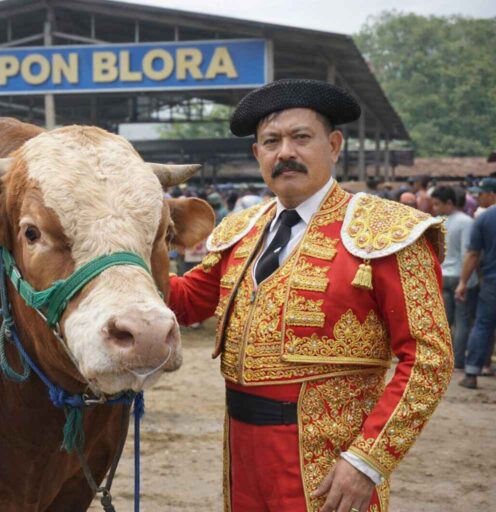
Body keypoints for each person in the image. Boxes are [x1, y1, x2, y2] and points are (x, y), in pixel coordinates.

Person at [168, 79, 452, 512]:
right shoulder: (241, 230)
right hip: (242, 450)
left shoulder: (385, 231)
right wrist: (120, 258)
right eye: (271, 141)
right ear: (257, 155)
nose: (285, 152)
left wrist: (367, 460)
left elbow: (429, 357)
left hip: (329, 462)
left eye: (301, 138)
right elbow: (186, 301)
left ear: (334, 145)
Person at [431, 186, 478, 370]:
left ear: (449, 203)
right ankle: (457, 360)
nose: (434, 208)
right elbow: (468, 251)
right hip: (460, 275)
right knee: (462, 321)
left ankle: (442, 359)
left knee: (444, 321)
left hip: (443, 275)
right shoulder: (466, 222)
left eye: (437, 204)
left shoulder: (435, 222)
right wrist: (466, 281)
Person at [456, 177, 496, 389]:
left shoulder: (484, 218)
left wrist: (463, 282)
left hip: (492, 281)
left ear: (492, 194)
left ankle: (471, 373)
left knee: (483, 325)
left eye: (481, 194)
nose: (477, 198)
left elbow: (472, 254)